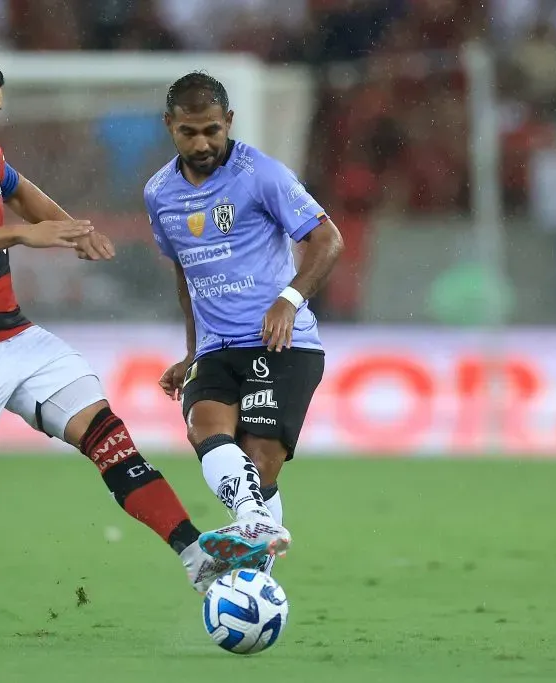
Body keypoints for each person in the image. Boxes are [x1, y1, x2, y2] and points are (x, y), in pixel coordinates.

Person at [0, 54, 259, 646]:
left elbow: (23, 195)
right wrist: (26, 234)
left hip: (16, 334)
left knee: (109, 436)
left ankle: (193, 555)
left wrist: (71, 227)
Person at [145, 72, 344, 573]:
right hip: (216, 348)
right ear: (169, 125)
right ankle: (255, 523)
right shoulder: (159, 194)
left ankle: (253, 553)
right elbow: (185, 273)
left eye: (212, 129)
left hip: (283, 344)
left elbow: (328, 239)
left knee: (259, 456)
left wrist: (290, 298)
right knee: (202, 426)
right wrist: (192, 350)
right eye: (189, 132)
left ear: (228, 121)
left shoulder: (262, 173)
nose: (203, 142)